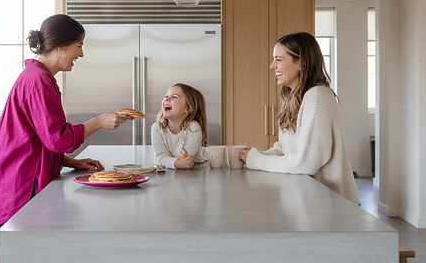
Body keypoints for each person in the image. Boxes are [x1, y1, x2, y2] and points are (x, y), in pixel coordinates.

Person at [0, 14, 131, 226]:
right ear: (61, 47)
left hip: (23, 176)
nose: (81, 53)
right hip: (24, 181)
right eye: (78, 45)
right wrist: (99, 122)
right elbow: (58, 138)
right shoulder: (38, 80)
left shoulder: (37, 76)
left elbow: (40, 138)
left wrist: (69, 162)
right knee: (30, 253)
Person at [238, 32, 360, 205]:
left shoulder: (318, 96)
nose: (272, 66)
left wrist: (257, 160)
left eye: (278, 59)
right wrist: (254, 155)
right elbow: (286, 149)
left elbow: (306, 163)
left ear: (301, 63)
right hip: (312, 201)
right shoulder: (294, 98)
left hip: (334, 206)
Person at [151, 83, 208, 169]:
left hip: (194, 175)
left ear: (187, 109)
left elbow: (187, 161)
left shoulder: (193, 128)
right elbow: (160, 158)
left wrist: (178, 162)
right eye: (166, 96)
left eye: (174, 97)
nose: (167, 99)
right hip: (170, 175)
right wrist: (178, 163)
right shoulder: (157, 128)